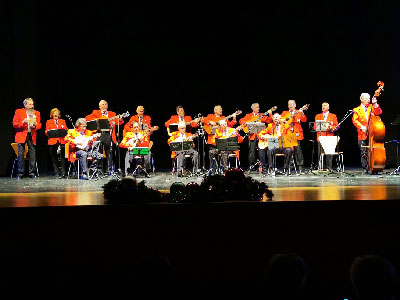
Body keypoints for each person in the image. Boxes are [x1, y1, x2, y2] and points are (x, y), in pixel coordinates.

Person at [86, 99, 124, 173]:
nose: (104, 106)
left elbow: (119, 122)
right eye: (102, 104)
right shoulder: (95, 112)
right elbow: (87, 119)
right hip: (99, 134)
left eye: (105, 104)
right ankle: (98, 169)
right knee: (98, 151)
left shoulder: (112, 114)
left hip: (107, 134)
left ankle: (109, 169)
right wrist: (97, 120)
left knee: (108, 151)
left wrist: (120, 119)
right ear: (99, 106)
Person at [352, 93, 382, 174]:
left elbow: (378, 112)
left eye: (369, 98)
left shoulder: (372, 107)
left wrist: (375, 104)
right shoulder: (356, 110)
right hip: (362, 134)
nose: (369, 100)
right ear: (361, 99)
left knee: (373, 151)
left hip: (372, 133)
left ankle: (374, 166)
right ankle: (365, 168)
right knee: (364, 151)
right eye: (366, 98)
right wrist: (362, 127)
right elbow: (355, 120)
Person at [12, 98, 42, 179]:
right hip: (22, 135)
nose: (32, 106)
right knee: (21, 154)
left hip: (31, 135)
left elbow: (39, 125)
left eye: (32, 104)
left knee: (32, 153)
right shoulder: (19, 111)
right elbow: (14, 124)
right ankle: (20, 173)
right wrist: (23, 122)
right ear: (25, 105)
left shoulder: (37, 113)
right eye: (30, 104)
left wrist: (35, 125)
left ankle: (31, 172)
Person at [239, 103, 272, 170]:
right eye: (257, 107)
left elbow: (269, 120)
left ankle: (263, 165)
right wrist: (248, 122)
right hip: (252, 135)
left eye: (258, 107)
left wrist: (270, 114)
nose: (258, 109)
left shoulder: (262, 115)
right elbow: (241, 121)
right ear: (253, 108)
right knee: (252, 151)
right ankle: (252, 165)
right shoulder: (248, 115)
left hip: (260, 136)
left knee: (261, 149)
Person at [281, 100, 307, 173]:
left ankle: (300, 166)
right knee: (289, 150)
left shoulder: (298, 112)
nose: (290, 105)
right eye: (289, 104)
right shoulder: (284, 113)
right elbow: (281, 120)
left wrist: (302, 113)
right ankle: (290, 166)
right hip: (288, 134)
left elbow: (304, 120)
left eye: (292, 104)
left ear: (295, 105)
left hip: (297, 134)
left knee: (298, 150)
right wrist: (286, 120)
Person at [314, 102, 338, 171]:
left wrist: (331, 127)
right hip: (321, 137)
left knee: (329, 153)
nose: (323, 107)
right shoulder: (318, 116)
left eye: (325, 106)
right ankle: (320, 167)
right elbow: (315, 127)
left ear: (328, 107)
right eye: (322, 106)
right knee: (320, 153)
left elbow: (337, 126)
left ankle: (329, 167)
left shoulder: (333, 116)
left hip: (329, 136)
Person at [45, 108, 68, 178]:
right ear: (52, 114)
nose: (56, 114)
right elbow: (46, 132)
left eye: (57, 113)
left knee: (63, 157)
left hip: (61, 141)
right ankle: (57, 172)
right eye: (54, 113)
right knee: (54, 158)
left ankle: (63, 172)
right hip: (53, 141)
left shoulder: (62, 121)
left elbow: (66, 130)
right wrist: (50, 132)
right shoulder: (48, 122)